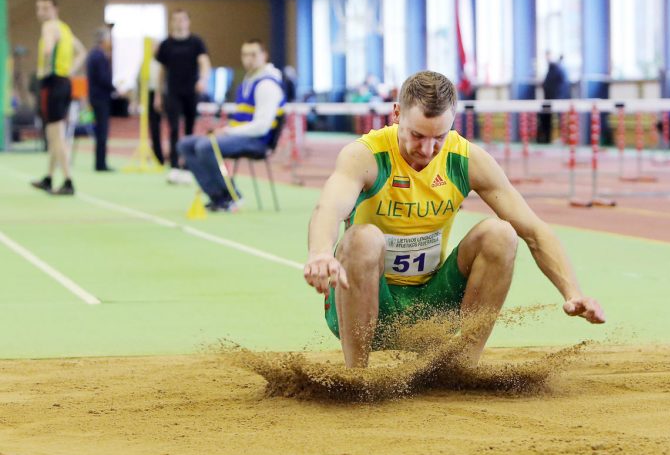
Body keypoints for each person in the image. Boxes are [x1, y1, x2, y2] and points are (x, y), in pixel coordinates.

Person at [303, 70, 605, 369]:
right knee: (362, 238)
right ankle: (357, 377)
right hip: (363, 302)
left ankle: (462, 369)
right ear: (396, 114)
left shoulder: (467, 159)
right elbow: (328, 209)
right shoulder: (365, 155)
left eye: (439, 138)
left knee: (501, 233)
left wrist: (573, 293)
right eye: (417, 135)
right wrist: (319, 253)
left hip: (430, 307)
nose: (427, 149)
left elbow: (534, 231)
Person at [177, 39, 285, 212]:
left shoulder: (267, 85)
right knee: (186, 144)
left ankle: (231, 196)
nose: (248, 59)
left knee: (206, 146)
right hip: (240, 135)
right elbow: (242, 119)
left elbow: (262, 127)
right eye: (245, 54)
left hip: (257, 141)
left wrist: (227, 131)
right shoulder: (247, 82)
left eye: (253, 54)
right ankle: (217, 196)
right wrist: (224, 129)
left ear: (264, 56)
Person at [30, 0, 87, 195]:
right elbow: (81, 52)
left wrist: (47, 58)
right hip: (64, 82)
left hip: (51, 83)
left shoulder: (49, 28)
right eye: (39, 8)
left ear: (55, 9)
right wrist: (71, 70)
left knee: (56, 133)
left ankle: (68, 180)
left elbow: (47, 49)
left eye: (46, 8)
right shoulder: (65, 29)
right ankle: (48, 177)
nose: (42, 13)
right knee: (54, 134)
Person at [155, 9, 211, 184]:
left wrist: (203, 79)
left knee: (189, 129)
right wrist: (158, 94)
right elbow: (161, 71)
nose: (179, 23)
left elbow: (204, 63)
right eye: (176, 20)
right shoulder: (166, 44)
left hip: (191, 92)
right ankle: (173, 165)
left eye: (182, 20)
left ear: (188, 22)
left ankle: (188, 166)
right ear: (172, 22)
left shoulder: (196, 42)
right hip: (173, 92)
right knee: (173, 129)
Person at [86, 27, 115, 172]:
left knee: (101, 131)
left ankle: (100, 162)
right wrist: (115, 89)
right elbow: (103, 79)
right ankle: (100, 164)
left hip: (96, 97)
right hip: (100, 98)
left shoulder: (93, 55)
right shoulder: (99, 56)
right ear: (104, 40)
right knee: (102, 132)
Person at [537, 52, 571, 144]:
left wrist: (559, 98)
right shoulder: (550, 69)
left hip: (558, 100)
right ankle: (545, 138)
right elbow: (547, 85)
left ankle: (563, 139)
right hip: (549, 100)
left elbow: (563, 86)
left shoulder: (559, 69)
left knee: (562, 119)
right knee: (545, 117)